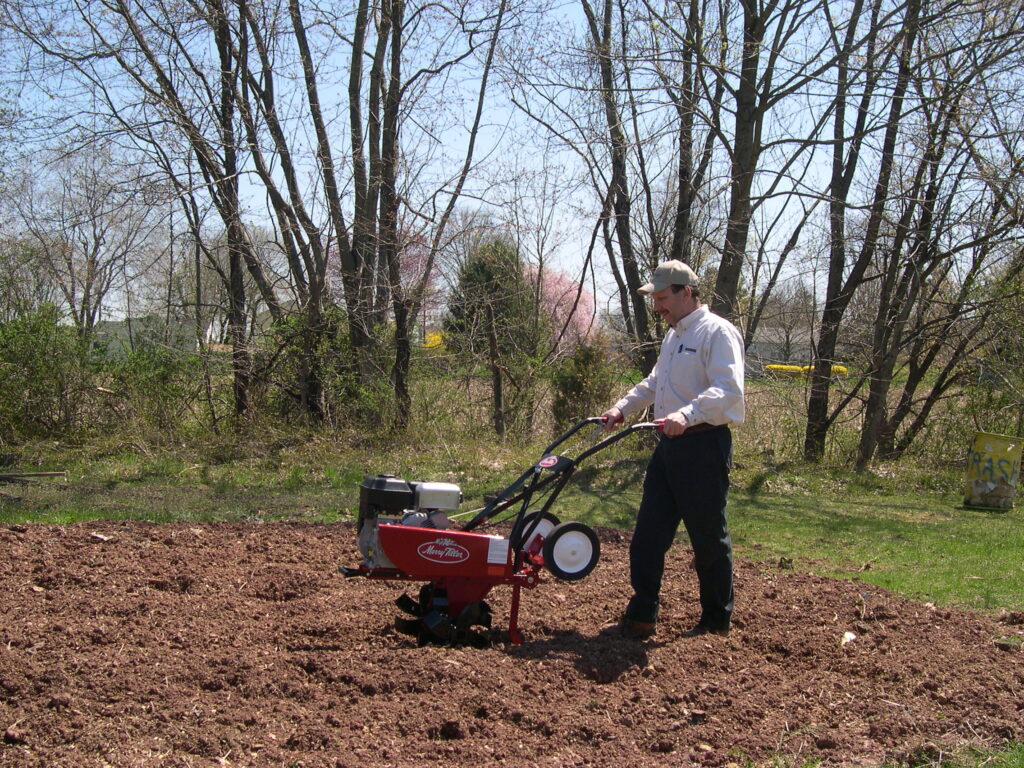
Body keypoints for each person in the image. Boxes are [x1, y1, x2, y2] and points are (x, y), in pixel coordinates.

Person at [601, 259, 745, 639]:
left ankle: (715, 621)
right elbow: (654, 382)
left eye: (663, 298)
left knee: (707, 537)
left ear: (686, 292)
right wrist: (621, 408)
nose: (658, 307)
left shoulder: (717, 333)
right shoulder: (673, 335)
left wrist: (688, 413)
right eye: (656, 299)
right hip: (669, 447)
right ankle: (642, 612)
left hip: (703, 445)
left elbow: (728, 391)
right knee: (648, 534)